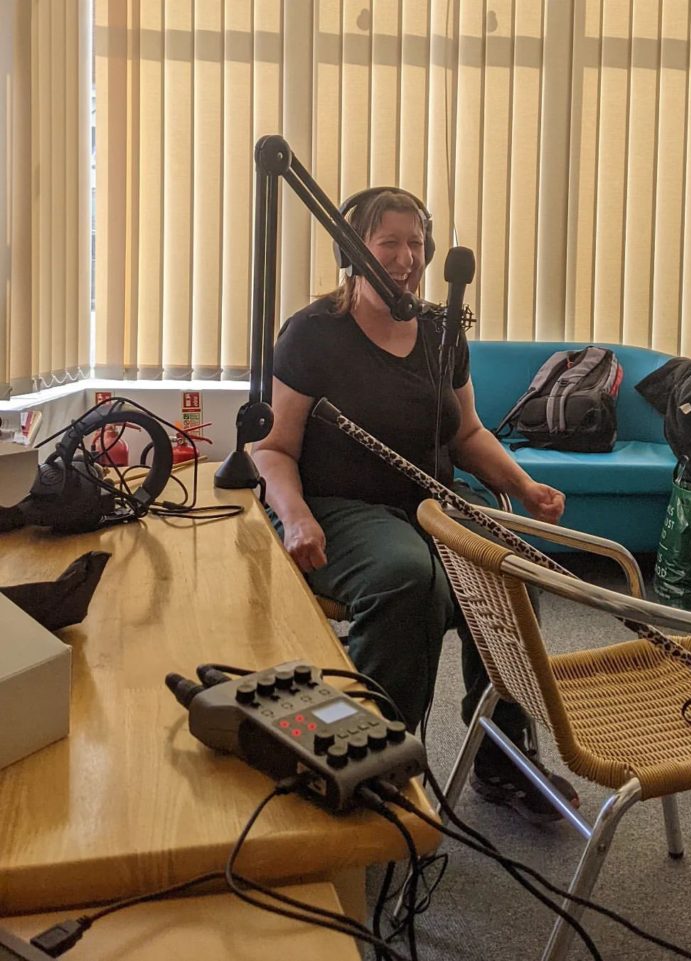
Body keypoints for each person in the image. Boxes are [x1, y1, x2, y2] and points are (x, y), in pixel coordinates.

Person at [252, 188, 579, 823]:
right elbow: (273, 448)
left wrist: (525, 486)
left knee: (510, 570)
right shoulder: (313, 332)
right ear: (353, 251)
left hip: (433, 499)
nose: (407, 257)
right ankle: (368, 758)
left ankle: (502, 755)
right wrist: (296, 516)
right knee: (409, 578)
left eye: (417, 243)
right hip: (340, 504)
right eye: (389, 242)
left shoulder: (439, 329)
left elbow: (468, 432)